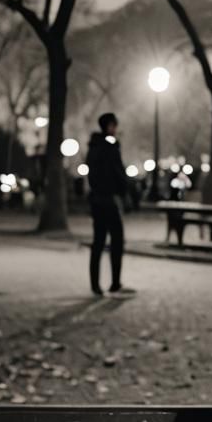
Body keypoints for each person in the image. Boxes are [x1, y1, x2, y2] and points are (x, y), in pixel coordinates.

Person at [86, 113, 133, 296]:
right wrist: (125, 190)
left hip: (97, 200)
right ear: (109, 126)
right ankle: (115, 282)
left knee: (98, 242)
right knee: (117, 241)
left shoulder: (94, 147)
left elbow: (92, 174)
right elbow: (117, 172)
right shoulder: (110, 147)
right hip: (109, 200)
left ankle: (95, 284)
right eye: (114, 125)